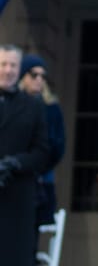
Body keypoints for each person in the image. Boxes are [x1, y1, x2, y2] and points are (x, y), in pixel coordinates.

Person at [0, 44, 51, 266]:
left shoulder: (33, 107)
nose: (8, 70)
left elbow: (42, 152)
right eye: (3, 64)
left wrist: (16, 163)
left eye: (13, 65)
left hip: (18, 200)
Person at [18, 54, 65, 226]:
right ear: (22, 76)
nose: (39, 80)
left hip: (42, 180)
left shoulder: (51, 108)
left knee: (33, 232)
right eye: (33, 74)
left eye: (42, 76)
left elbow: (58, 146)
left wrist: (37, 165)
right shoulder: (12, 104)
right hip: (15, 178)